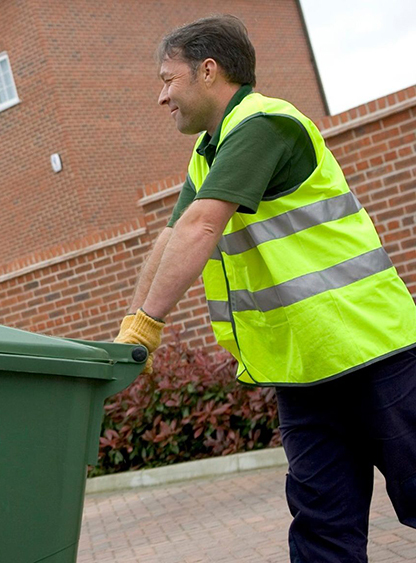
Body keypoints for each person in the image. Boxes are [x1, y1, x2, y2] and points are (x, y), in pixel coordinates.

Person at [114, 14, 416, 562]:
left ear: (208, 71)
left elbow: (203, 225)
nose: (162, 97)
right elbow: (172, 235)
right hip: (303, 370)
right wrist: (131, 325)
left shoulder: (263, 123)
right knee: (323, 530)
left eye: (167, 79)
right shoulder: (210, 151)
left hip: (373, 352)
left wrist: (150, 323)